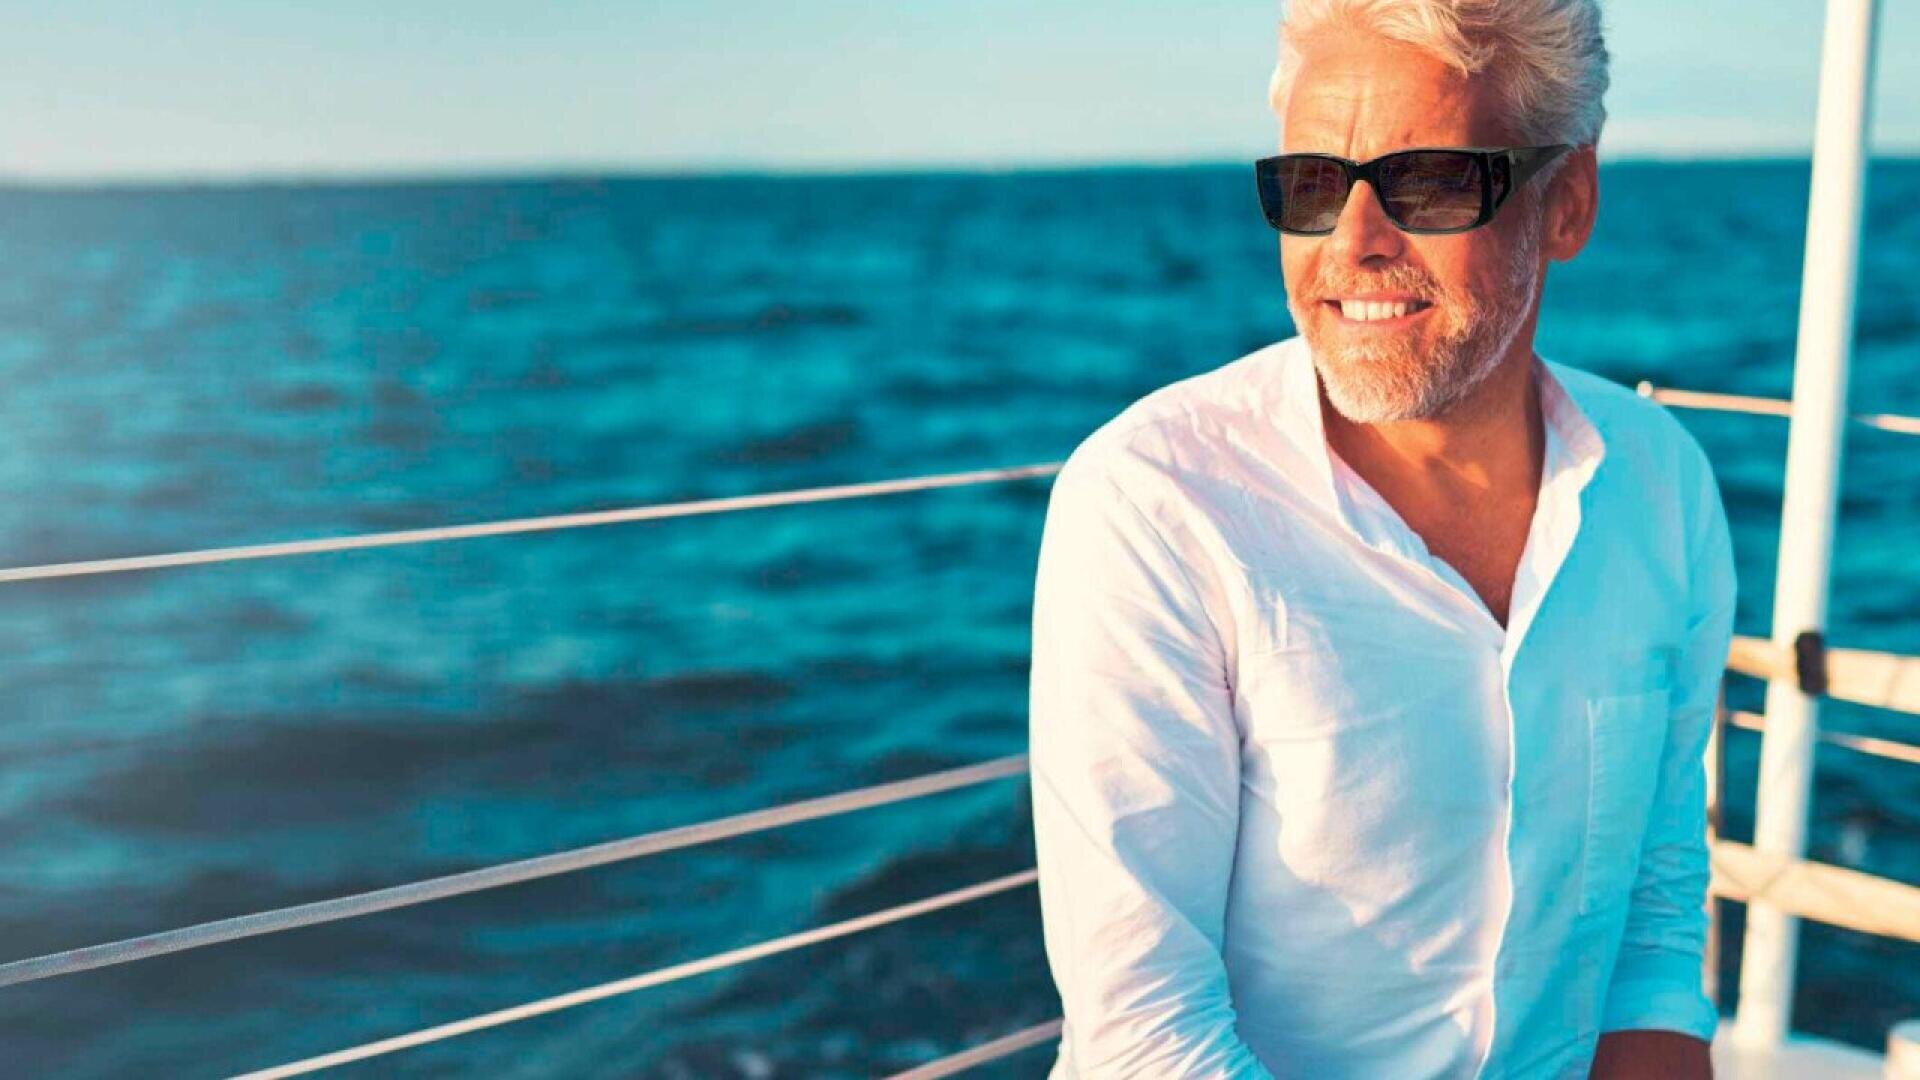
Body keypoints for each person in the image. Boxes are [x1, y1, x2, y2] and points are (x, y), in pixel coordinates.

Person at [1026, 1, 1735, 1076]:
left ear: (1567, 203)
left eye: (1432, 180)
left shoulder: (1662, 490)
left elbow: (1651, 925)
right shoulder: (1156, 505)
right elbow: (1145, 1040)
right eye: (1312, 184)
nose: (1352, 243)